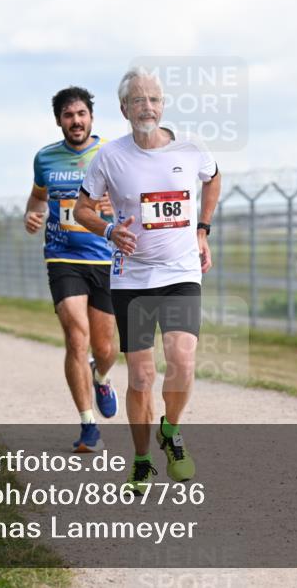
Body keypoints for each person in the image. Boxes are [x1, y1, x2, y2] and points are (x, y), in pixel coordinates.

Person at [74, 67, 221, 493]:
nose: (147, 107)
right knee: (140, 377)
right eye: (138, 100)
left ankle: (170, 433)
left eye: (154, 99)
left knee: (183, 360)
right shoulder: (109, 157)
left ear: (163, 105)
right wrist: (106, 230)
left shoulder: (191, 149)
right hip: (132, 277)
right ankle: (141, 460)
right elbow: (83, 208)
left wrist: (202, 229)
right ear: (124, 108)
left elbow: (213, 179)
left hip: (180, 272)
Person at [25, 86, 118, 453]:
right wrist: (31, 214)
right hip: (62, 256)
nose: (75, 121)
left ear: (91, 117)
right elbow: (37, 197)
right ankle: (87, 424)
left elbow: (134, 200)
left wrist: (115, 204)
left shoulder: (111, 153)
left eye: (81, 114)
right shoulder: (45, 158)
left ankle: (102, 375)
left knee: (106, 346)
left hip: (105, 258)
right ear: (59, 121)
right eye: (68, 115)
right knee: (75, 336)